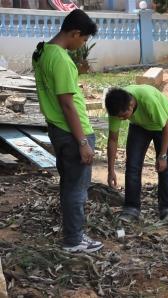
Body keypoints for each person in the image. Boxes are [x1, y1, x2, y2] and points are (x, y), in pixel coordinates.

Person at [32, 9, 103, 252]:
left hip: (57, 129)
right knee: (77, 187)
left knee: (69, 183)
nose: (82, 45)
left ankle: (73, 233)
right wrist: (83, 142)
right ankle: (74, 240)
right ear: (74, 33)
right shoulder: (61, 59)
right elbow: (67, 104)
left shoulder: (42, 51)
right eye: (83, 39)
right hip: (73, 132)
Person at [105, 85, 168, 223]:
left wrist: (162, 155)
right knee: (132, 166)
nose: (122, 120)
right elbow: (113, 139)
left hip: (163, 126)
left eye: (124, 116)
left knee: (164, 168)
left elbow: (166, 125)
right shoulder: (116, 108)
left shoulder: (147, 100)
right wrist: (110, 170)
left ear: (131, 104)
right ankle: (131, 208)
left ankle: (167, 208)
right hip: (139, 126)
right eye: (119, 118)